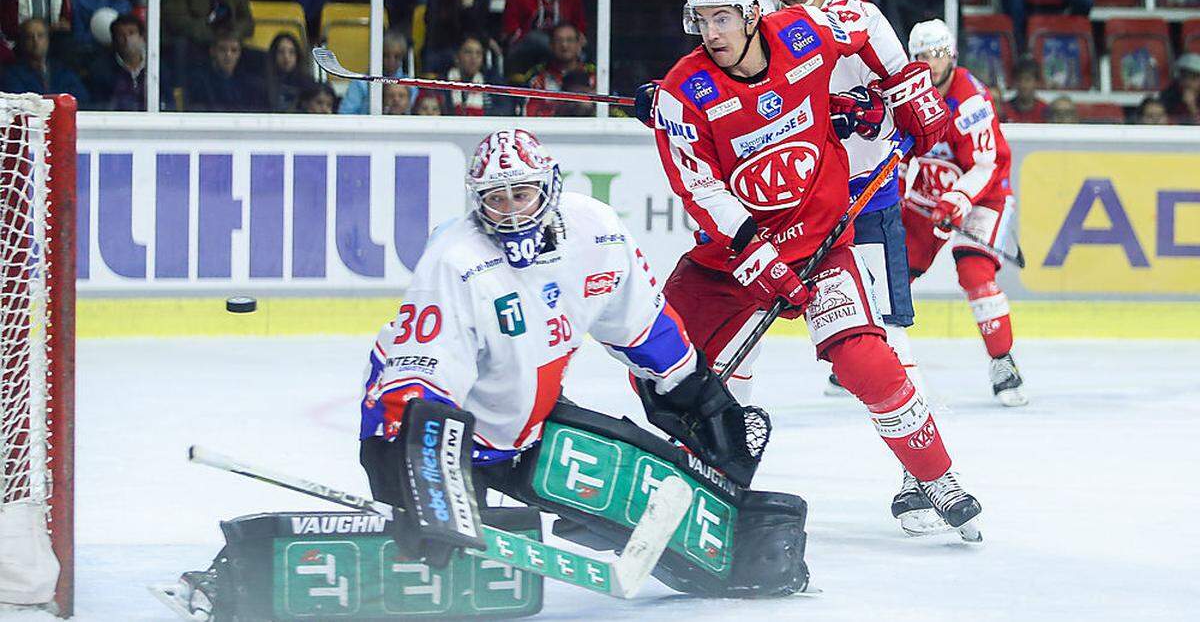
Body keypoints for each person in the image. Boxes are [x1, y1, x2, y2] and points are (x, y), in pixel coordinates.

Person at [155, 130, 810, 621]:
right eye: (494, 198)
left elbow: (646, 331)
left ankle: (741, 543)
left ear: (550, 186)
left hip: (528, 422)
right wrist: (434, 494)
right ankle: (242, 576)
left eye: (522, 192)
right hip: (415, 432)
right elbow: (419, 395)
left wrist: (698, 396)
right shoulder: (456, 260)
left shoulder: (596, 235)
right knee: (425, 562)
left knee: (654, 478)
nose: (511, 211)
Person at [645, 0, 982, 540]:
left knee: (868, 359)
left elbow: (867, 25)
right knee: (663, 363)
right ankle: (708, 473)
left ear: (753, 15)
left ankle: (937, 477)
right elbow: (698, 189)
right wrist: (763, 260)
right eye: (702, 20)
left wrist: (905, 92)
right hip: (731, 259)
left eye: (723, 17)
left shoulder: (801, 31)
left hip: (821, 245)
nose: (712, 33)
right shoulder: (683, 92)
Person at [761, 0, 958, 535]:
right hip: (783, 203)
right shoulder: (754, 20)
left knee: (885, 338)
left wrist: (888, 115)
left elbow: (917, 106)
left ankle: (922, 475)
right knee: (732, 338)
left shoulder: (863, 21)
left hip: (863, 199)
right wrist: (670, 107)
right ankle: (712, 468)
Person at [900, 19, 1028, 411]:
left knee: (974, 272)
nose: (930, 63)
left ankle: (1002, 362)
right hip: (933, 191)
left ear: (951, 54)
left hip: (984, 193)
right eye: (922, 56)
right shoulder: (906, 93)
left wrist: (958, 199)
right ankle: (870, 350)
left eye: (937, 54)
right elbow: (900, 152)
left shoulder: (969, 98)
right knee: (895, 270)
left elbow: (986, 165)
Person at [501, 0, 587, 78]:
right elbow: (511, 33)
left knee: (578, 50)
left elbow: (579, 28)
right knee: (539, 40)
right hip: (522, 55)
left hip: (558, 52)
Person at [421, 0, 492, 75]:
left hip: (471, 51)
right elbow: (437, 35)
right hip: (442, 51)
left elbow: (480, 34)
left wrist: (468, 6)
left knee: (478, 58)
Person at [0, 17, 88, 101]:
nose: (36, 41)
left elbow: (81, 97)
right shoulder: (12, 74)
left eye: (40, 36)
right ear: (22, 42)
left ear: (48, 40)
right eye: (29, 37)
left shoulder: (62, 69)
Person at [522, 21, 595, 117]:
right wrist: (564, 107)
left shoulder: (594, 76)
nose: (564, 45)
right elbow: (530, 116)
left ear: (578, 44)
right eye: (559, 40)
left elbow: (613, 112)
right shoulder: (538, 78)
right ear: (551, 45)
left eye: (570, 40)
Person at [185, 29, 266, 112]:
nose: (228, 55)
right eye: (222, 49)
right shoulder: (199, 81)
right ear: (212, 51)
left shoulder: (249, 83)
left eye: (234, 50)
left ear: (240, 53)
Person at [339, 29, 414, 114]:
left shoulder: (410, 85)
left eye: (397, 57)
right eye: (386, 55)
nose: (391, 61)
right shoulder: (360, 84)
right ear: (377, 55)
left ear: (402, 58)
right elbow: (345, 114)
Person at [84, 13, 145, 110]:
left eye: (131, 33)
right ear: (114, 40)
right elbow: (99, 105)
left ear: (142, 37)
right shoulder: (101, 69)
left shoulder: (156, 67)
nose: (127, 39)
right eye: (121, 35)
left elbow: (167, 102)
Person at [444, 33, 505, 116]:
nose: (473, 57)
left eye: (478, 53)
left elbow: (503, 110)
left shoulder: (492, 82)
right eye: (468, 52)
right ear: (457, 57)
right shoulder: (444, 82)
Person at [264, 32, 315, 112]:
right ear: (274, 55)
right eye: (281, 52)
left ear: (297, 56)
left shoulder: (308, 84)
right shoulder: (263, 83)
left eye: (291, 52)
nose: (286, 57)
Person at [1005, 57, 1048, 123]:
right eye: (1019, 80)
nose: (1023, 85)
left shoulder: (1045, 110)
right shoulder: (1005, 109)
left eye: (1027, 80)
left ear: (1036, 82)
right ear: (1014, 82)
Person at [1161, 53, 1200, 125]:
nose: (1188, 82)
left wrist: (1192, 107)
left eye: (1193, 77)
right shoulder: (1169, 94)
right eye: (1184, 76)